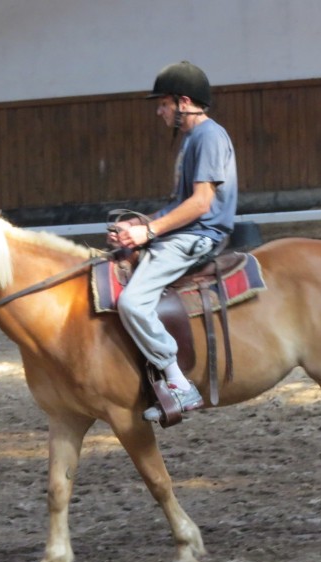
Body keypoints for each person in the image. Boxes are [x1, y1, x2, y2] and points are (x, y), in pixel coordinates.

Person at [108, 61, 238, 421]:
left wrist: (148, 233)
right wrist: (139, 223)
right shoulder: (192, 140)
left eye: (163, 103)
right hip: (186, 230)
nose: (159, 110)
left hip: (201, 236)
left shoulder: (209, 137)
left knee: (132, 303)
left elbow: (201, 203)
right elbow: (180, 204)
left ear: (184, 102)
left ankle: (179, 383)